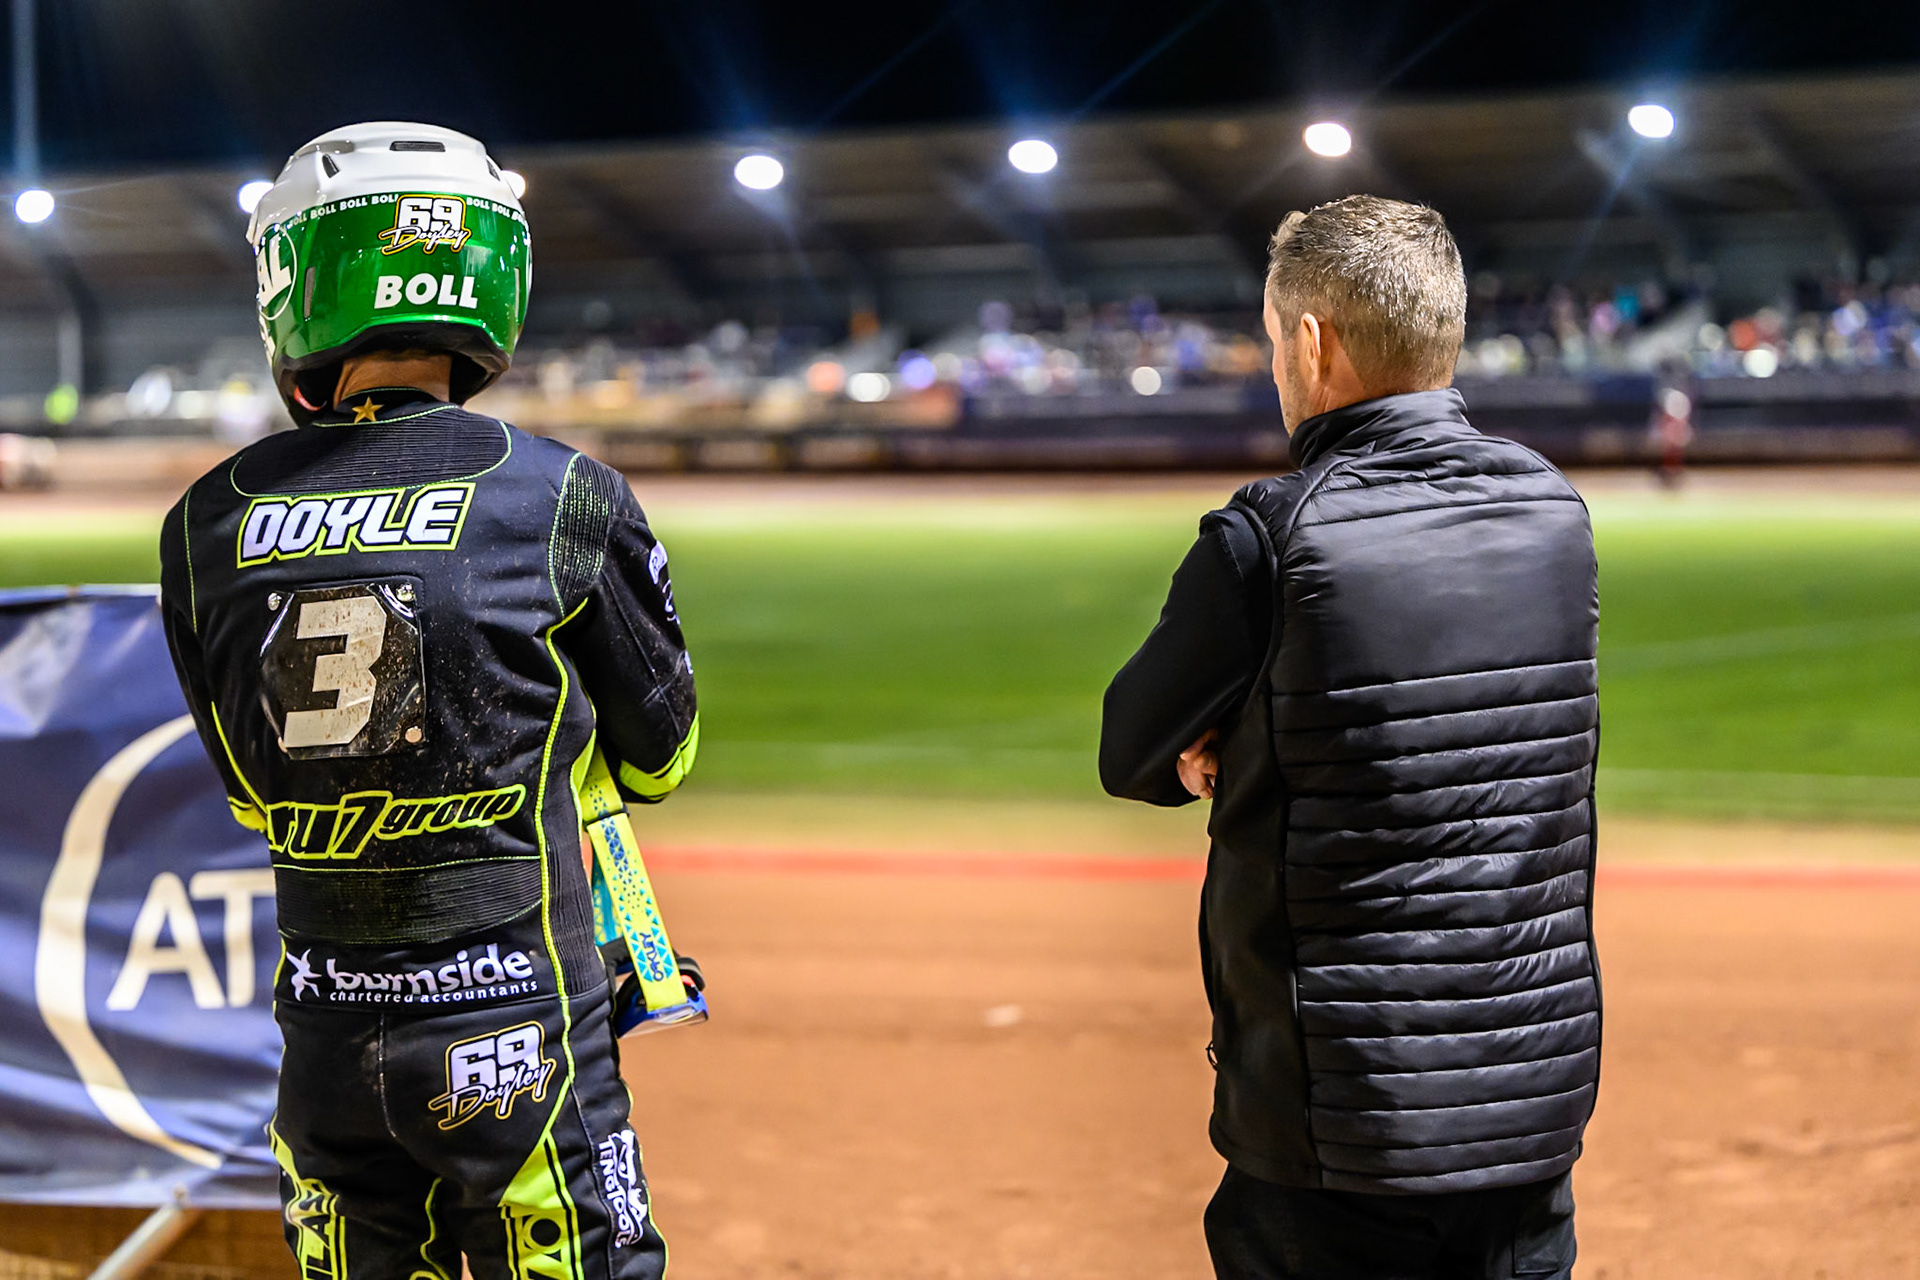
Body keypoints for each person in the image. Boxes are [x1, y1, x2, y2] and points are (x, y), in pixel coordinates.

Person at [157, 122, 698, 1279]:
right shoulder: (560, 493)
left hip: (324, 1038)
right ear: (495, 274)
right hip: (520, 1033)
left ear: (296, 280)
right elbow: (662, 756)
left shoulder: (209, 520)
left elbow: (257, 793)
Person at [1100, 196, 1600, 1280]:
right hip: (1530, 1106)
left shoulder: (1269, 535)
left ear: (1314, 342)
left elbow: (1131, 749)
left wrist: (1228, 739)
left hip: (1340, 1121)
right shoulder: (1557, 513)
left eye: (1276, 339)